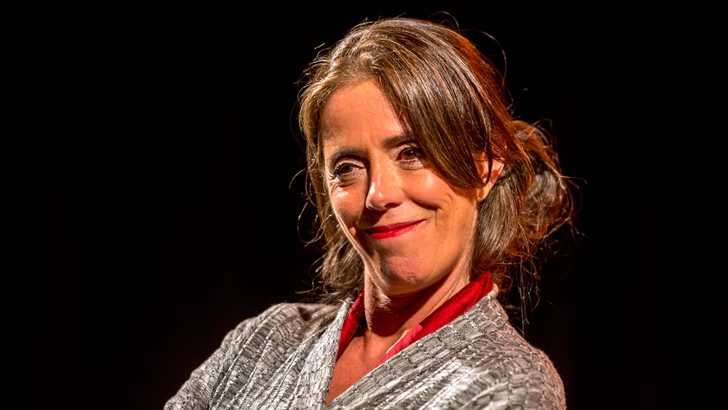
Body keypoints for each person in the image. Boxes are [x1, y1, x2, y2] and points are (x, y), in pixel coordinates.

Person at [165, 17, 575, 410]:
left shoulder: (509, 381)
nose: (378, 195)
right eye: (348, 167)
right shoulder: (266, 341)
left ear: (486, 167)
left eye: (412, 153)